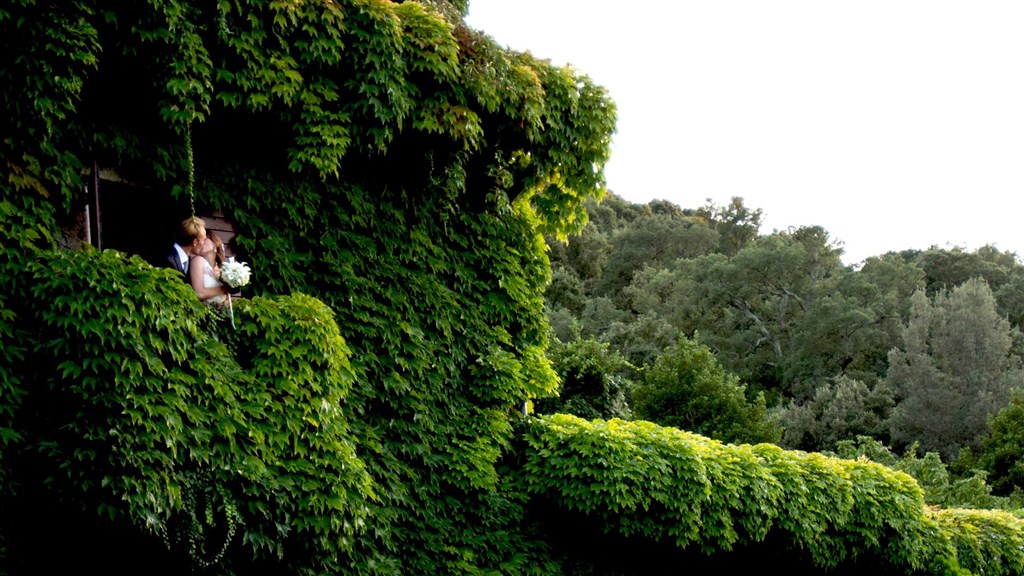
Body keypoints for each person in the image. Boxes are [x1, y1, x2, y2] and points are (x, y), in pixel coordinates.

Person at [189, 231, 230, 307]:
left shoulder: (222, 270)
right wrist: (225, 288)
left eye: (205, 239)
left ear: (214, 242)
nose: (201, 242)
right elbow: (199, 294)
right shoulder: (197, 260)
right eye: (199, 239)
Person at [165, 216, 207, 282]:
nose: (204, 243)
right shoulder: (167, 258)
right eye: (204, 240)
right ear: (195, 242)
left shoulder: (189, 261)